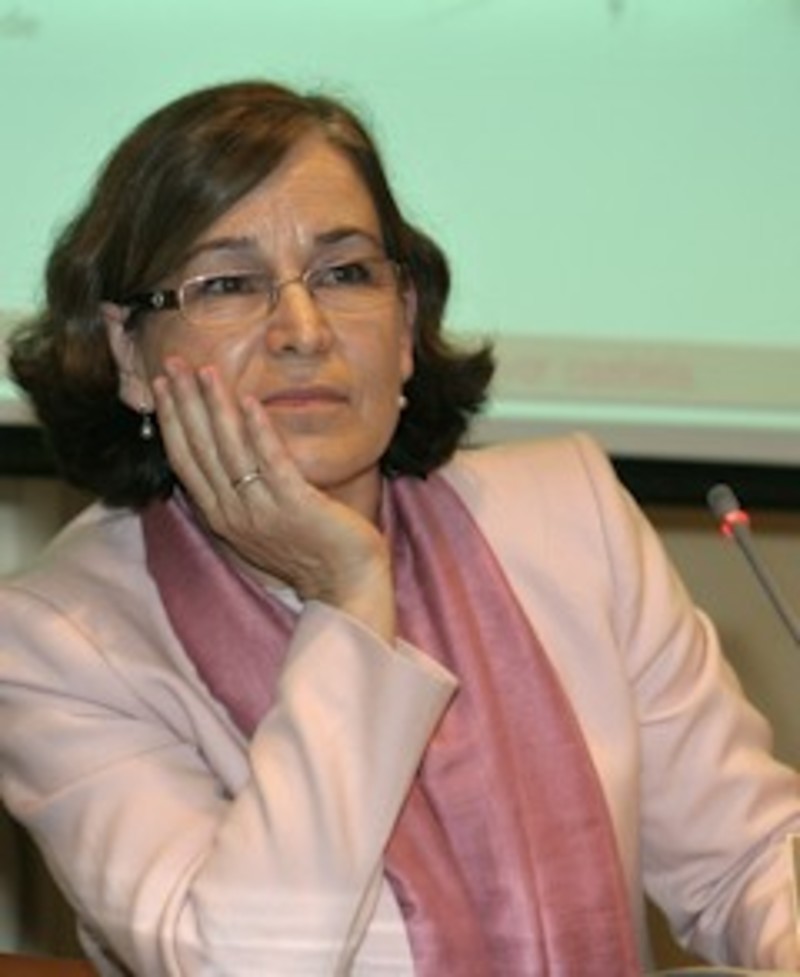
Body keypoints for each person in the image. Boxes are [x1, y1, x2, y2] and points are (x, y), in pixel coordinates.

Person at [0, 79, 798, 977]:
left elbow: (748, 861)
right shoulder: (56, 645)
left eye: (345, 274)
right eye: (227, 284)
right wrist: (346, 598)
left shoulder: (571, 516)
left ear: (407, 321)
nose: (303, 331)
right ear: (127, 352)